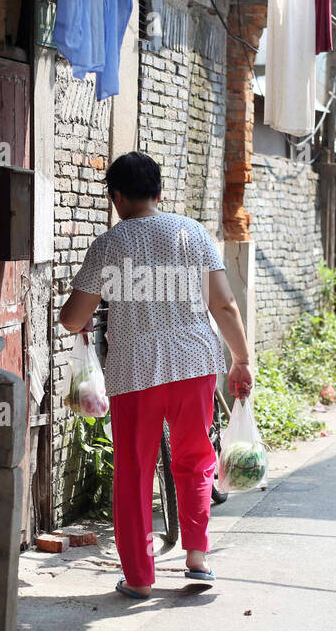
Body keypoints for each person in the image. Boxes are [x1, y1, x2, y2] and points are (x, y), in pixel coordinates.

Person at [58, 152, 253, 600]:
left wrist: (87, 315)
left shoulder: (109, 244)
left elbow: (72, 318)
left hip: (135, 371)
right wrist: (240, 357)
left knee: (134, 471)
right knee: (195, 458)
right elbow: (223, 305)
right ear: (160, 193)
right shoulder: (194, 234)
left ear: (117, 197)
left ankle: (141, 578)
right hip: (194, 364)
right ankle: (197, 558)